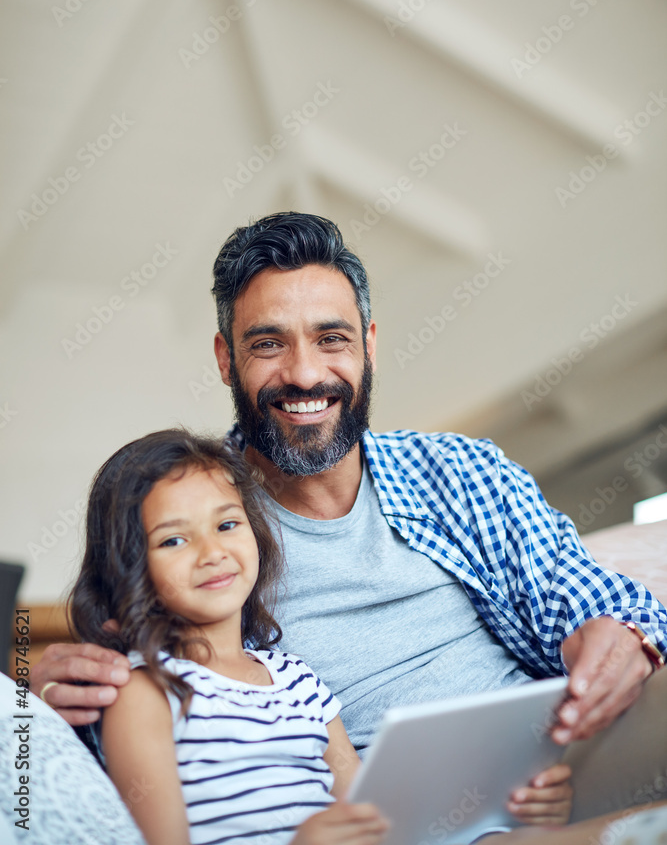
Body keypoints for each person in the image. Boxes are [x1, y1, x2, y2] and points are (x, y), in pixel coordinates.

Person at [35, 213, 666, 793]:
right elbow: (132, 711)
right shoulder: (187, 526)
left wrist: (623, 636)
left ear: (367, 343)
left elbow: (605, 603)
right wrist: (32, 709)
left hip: (553, 781)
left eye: (330, 338)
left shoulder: (460, 471)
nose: (305, 374)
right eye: (268, 344)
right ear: (226, 358)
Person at [67, 427, 572, 844]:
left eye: (227, 525)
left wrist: (511, 802)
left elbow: (376, 821)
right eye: (174, 539)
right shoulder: (145, 693)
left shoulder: (296, 678)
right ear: (129, 565)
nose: (211, 551)